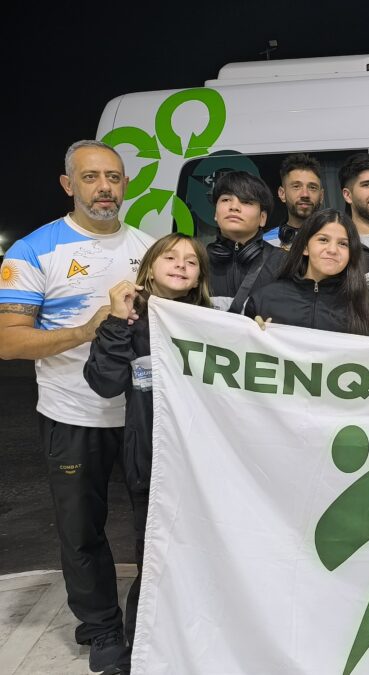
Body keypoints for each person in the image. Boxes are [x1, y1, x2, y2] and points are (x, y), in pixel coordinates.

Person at [0, 139, 157, 674]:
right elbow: (8, 341)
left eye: (113, 177)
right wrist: (86, 330)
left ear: (126, 184)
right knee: (82, 532)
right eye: (91, 178)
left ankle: (143, 623)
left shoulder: (149, 247)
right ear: (69, 185)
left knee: (152, 530)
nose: (105, 188)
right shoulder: (32, 251)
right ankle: (102, 628)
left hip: (141, 418)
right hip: (73, 417)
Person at [83, 234, 214, 657]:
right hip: (152, 465)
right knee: (155, 563)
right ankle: (143, 650)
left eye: (191, 261)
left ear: (198, 278)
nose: (180, 265)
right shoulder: (126, 321)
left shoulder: (216, 324)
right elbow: (104, 383)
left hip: (209, 466)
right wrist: (119, 322)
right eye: (170, 257)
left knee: (205, 562)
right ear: (149, 267)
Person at [244, 209, 369, 335]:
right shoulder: (265, 299)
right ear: (305, 248)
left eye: (343, 244)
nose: (332, 250)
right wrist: (251, 334)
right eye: (323, 240)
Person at [206, 170, 286, 312]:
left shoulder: (285, 263)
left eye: (246, 201)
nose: (234, 207)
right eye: (225, 200)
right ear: (215, 214)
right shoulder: (196, 260)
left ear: (262, 218)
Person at [264, 153, 324, 250]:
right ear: (282, 194)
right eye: (296, 186)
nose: (305, 194)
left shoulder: (337, 239)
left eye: (312, 187)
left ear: (321, 196)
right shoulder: (265, 243)